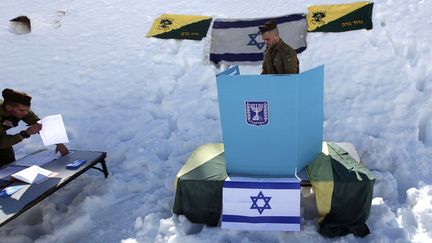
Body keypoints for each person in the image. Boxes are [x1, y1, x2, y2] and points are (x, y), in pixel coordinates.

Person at [0, 88, 69, 167]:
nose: (26, 113)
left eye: (27, 110)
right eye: (22, 110)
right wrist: (25, 133)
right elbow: (1, 142)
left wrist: (58, 143)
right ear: (9, 108)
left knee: (9, 166)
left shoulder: (20, 109)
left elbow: (39, 124)